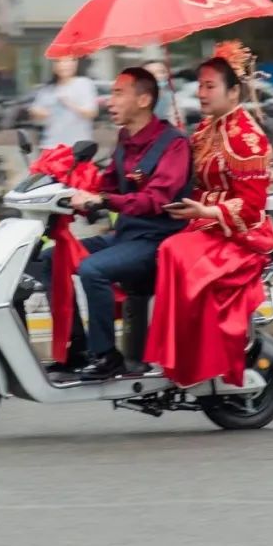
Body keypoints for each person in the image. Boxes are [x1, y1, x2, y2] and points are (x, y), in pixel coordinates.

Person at [38, 67, 192, 380]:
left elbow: (156, 200)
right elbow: (106, 186)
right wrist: (66, 189)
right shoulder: (125, 139)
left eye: (119, 93)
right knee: (50, 258)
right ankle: (76, 350)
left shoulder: (174, 145)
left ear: (144, 99)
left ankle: (107, 356)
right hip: (125, 237)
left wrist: (103, 201)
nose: (110, 101)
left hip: (155, 242)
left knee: (94, 269)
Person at [144, 41, 273, 388]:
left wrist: (206, 210)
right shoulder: (205, 130)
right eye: (200, 86)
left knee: (174, 252)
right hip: (203, 224)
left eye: (210, 86)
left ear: (234, 92)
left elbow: (251, 208)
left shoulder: (247, 139)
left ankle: (190, 359)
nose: (201, 93)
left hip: (241, 236)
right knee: (155, 244)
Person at [30, 56, 98, 149]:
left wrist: (70, 104)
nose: (64, 66)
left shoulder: (84, 84)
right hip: (50, 145)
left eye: (68, 62)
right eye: (59, 62)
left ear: (75, 64)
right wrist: (38, 113)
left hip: (77, 147)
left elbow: (91, 113)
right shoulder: (48, 88)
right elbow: (35, 112)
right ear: (54, 66)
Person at [144, 59, 177, 126]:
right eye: (150, 73)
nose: (157, 76)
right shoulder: (134, 100)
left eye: (161, 72)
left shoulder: (174, 99)